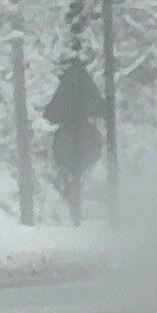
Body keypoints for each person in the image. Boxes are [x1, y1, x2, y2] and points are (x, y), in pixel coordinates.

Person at [42, 59, 106, 224]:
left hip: (71, 139)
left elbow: (51, 114)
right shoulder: (82, 87)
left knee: (72, 171)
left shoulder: (68, 88)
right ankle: (75, 211)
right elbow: (101, 109)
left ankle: (75, 211)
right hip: (80, 138)